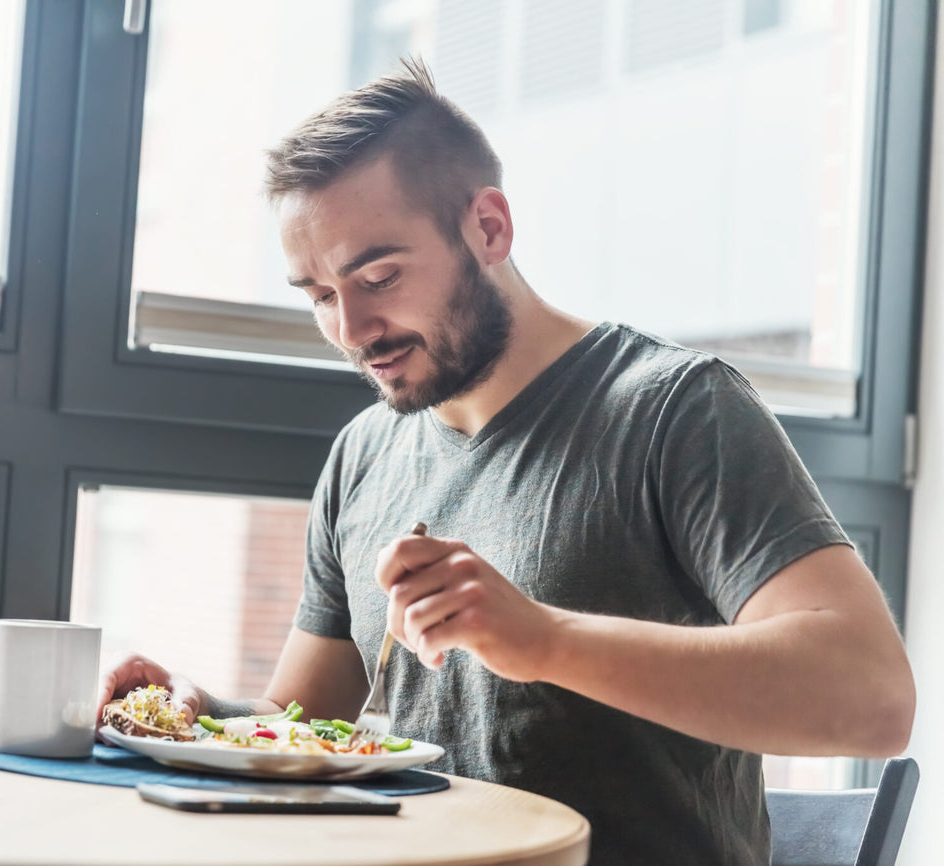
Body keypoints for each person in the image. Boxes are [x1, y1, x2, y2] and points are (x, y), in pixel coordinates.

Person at [97, 59, 915, 864]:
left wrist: (545, 640)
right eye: (318, 296)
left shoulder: (677, 409)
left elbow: (871, 699)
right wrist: (199, 718)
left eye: (378, 276)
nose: (351, 329)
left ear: (488, 228)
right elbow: (300, 723)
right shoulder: (364, 455)